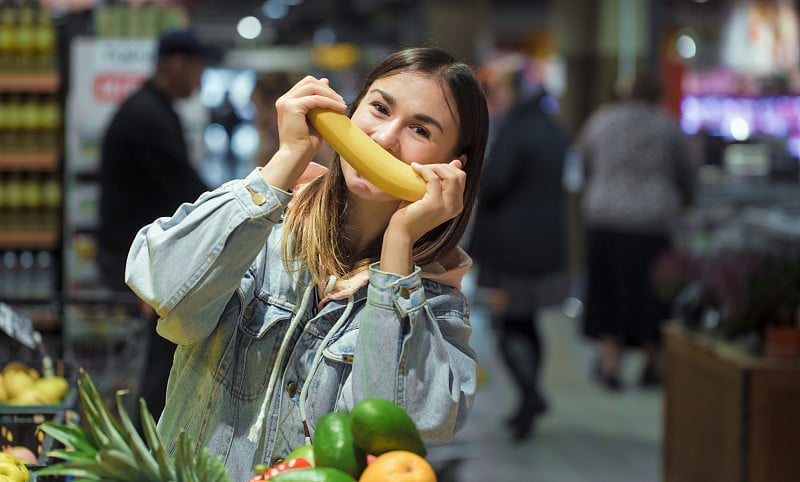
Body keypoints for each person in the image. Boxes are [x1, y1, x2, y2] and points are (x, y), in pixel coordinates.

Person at [125, 46, 489, 481]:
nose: (385, 138)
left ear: (451, 165)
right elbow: (168, 297)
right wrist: (286, 160)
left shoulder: (435, 306)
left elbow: (391, 430)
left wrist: (400, 244)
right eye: (379, 108)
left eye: (420, 130)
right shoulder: (263, 226)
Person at [97, 28, 222, 426]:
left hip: (142, 253)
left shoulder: (154, 107)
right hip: (134, 260)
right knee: (163, 354)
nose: (201, 81)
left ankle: (153, 435)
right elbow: (182, 189)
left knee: (164, 352)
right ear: (177, 64)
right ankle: (151, 442)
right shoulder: (147, 115)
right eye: (198, 69)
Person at [467, 57, 570, 441]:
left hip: (509, 249)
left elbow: (493, 183)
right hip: (545, 245)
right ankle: (530, 398)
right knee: (527, 323)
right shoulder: (551, 128)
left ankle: (530, 397)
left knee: (508, 324)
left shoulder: (516, 131)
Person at [576, 69, 696, 390]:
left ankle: (611, 364)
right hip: (653, 222)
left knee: (606, 291)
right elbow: (688, 174)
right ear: (658, 95)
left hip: (605, 218)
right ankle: (650, 363)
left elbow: (584, 163)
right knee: (653, 294)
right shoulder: (668, 126)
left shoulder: (602, 121)